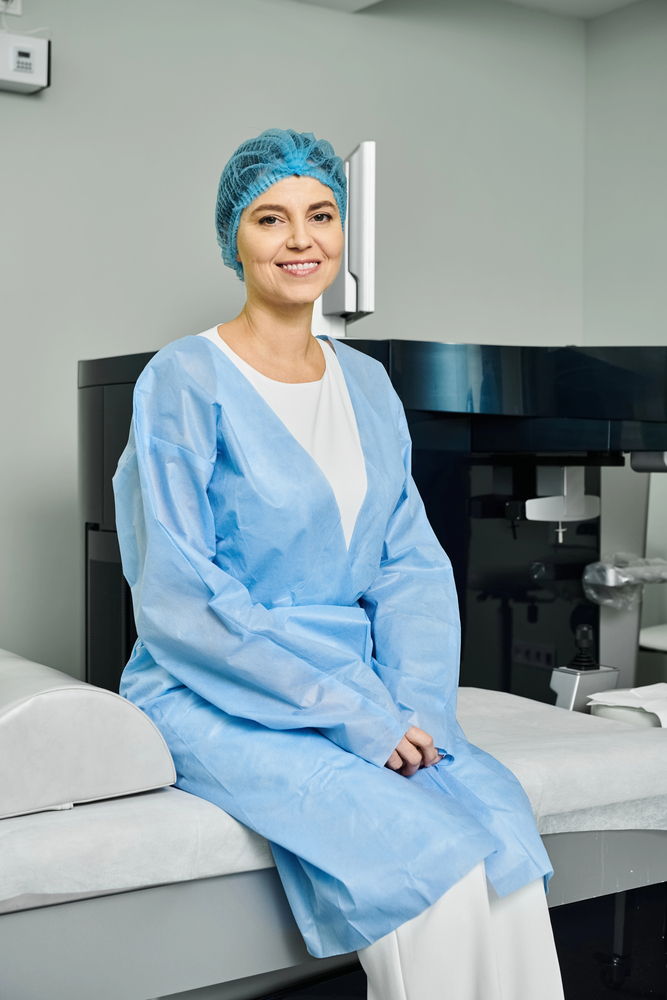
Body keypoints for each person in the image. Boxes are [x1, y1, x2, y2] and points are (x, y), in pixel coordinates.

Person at [113, 127, 565, 999]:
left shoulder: (364, 383)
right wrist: (352, 716)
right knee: (425, 859)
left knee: (499, 833)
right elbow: (179, 595)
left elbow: (408, 565)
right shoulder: (182, 380)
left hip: (362, 686)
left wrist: (414, 708)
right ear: (231, 239)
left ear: (343, 232)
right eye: (270, 219)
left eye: (320, 215)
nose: (299, 239)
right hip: (217, 688)